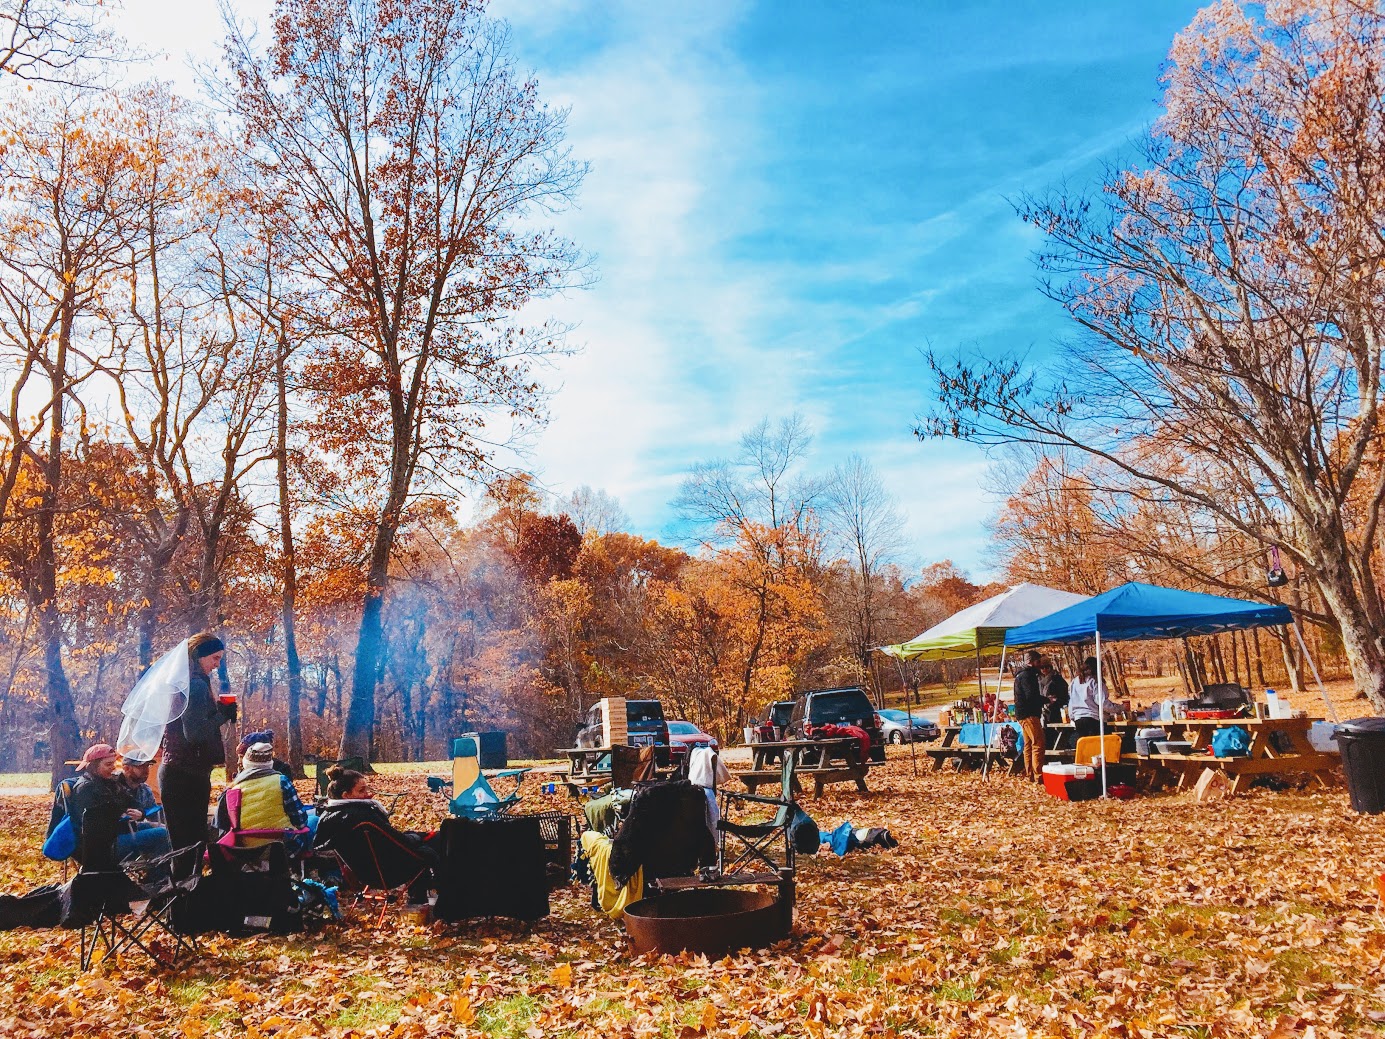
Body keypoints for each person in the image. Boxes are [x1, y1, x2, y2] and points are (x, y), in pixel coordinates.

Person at [159, 633, 235, 861]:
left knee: (182, 845)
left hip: (177, 771)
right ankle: (187, 892)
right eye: (214, 658)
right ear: (198, 656)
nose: (216, 665)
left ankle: (184, 891)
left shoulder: (183, 683)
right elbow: (195, 734)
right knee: (190, 845)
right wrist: (222, 714)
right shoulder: (196, 686)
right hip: (186, 774)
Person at [313, 767, 441, 902]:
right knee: (434, 842)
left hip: (363, 874)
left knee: (422, 843)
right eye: (361, 790)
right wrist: (418, 836)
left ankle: (420, 899)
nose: (367, 794)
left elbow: (388, 838)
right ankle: (442, 895)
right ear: (346, 795)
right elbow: (399, 841)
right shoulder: (362, 816)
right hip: (388, 872)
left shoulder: (328, 817)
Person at [215, 742, 310, 849]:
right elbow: (300, 820)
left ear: (247, 763)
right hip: (282, 847)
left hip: (246, 849)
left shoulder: (234, 788)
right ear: (270, 763)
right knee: (313, 822)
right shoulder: (281, 781)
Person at [114, 756, 173, 860]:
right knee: (162, 834)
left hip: (132, 829)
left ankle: (165, 871)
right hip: (116, 837)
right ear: (127, 768)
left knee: (169, 832)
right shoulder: (114, 786)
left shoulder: (144, 789)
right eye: (141, 767)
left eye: (147, 766)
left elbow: (153, 814)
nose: (146, 770)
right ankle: (158, 874)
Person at [1012, 649, 1046, 783]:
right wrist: (1046, 700)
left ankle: (1030, 773)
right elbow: (1031, 696)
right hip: (1029, 713)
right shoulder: (1027, 676)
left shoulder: (1021, 675)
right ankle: (1038, 775)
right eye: (1038, 661)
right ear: (1031, 662)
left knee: (1028, 744)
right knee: (1038, 742)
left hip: (1022, 713)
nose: (1040, 665)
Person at [1069, 656, 1112, 740]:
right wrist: (1120, 708)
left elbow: (1071, 700)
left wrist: (1072, 716)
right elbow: (1102, 702)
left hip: (1078, 719)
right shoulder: (1095, 681)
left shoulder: (1075, 681)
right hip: (1092, 718)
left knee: (1085, 746)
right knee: (1096, 744)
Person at [1039, 657, 1070, 726]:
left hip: (1056, 709)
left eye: (1046, 667)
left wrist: (1055, 700)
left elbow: (1064, 694)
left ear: (1050, 667)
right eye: (1042, 667)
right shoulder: (1038, 679)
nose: (1044, 669)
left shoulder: (1057, 678)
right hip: (1043, 709)